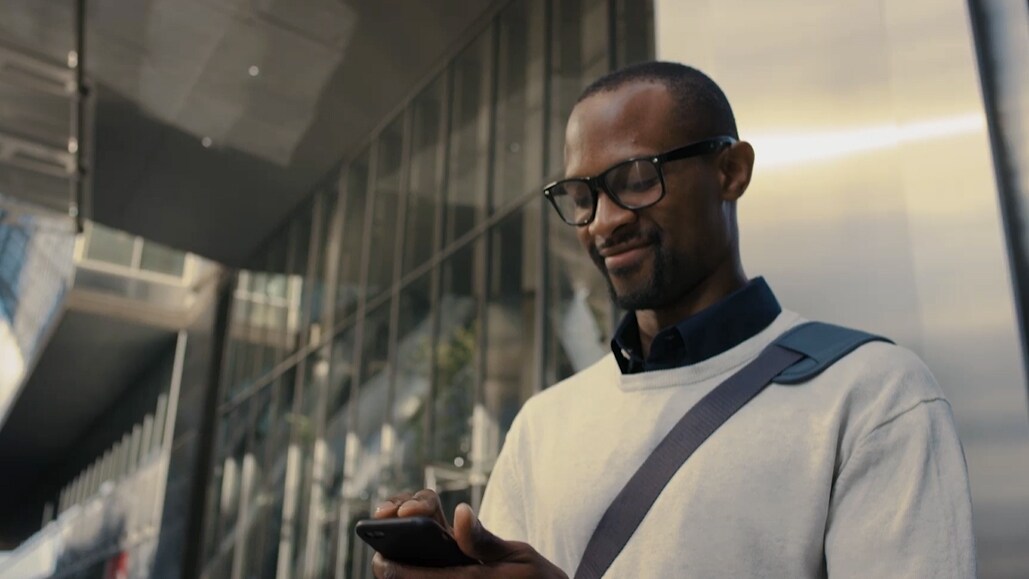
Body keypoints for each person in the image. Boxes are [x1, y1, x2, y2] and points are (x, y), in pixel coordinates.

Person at [370, 61, 976, 578]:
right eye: (583, 197)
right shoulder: (543, 424)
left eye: (636, 179)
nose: (604, 222)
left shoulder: (874, 394)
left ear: (730, 171)